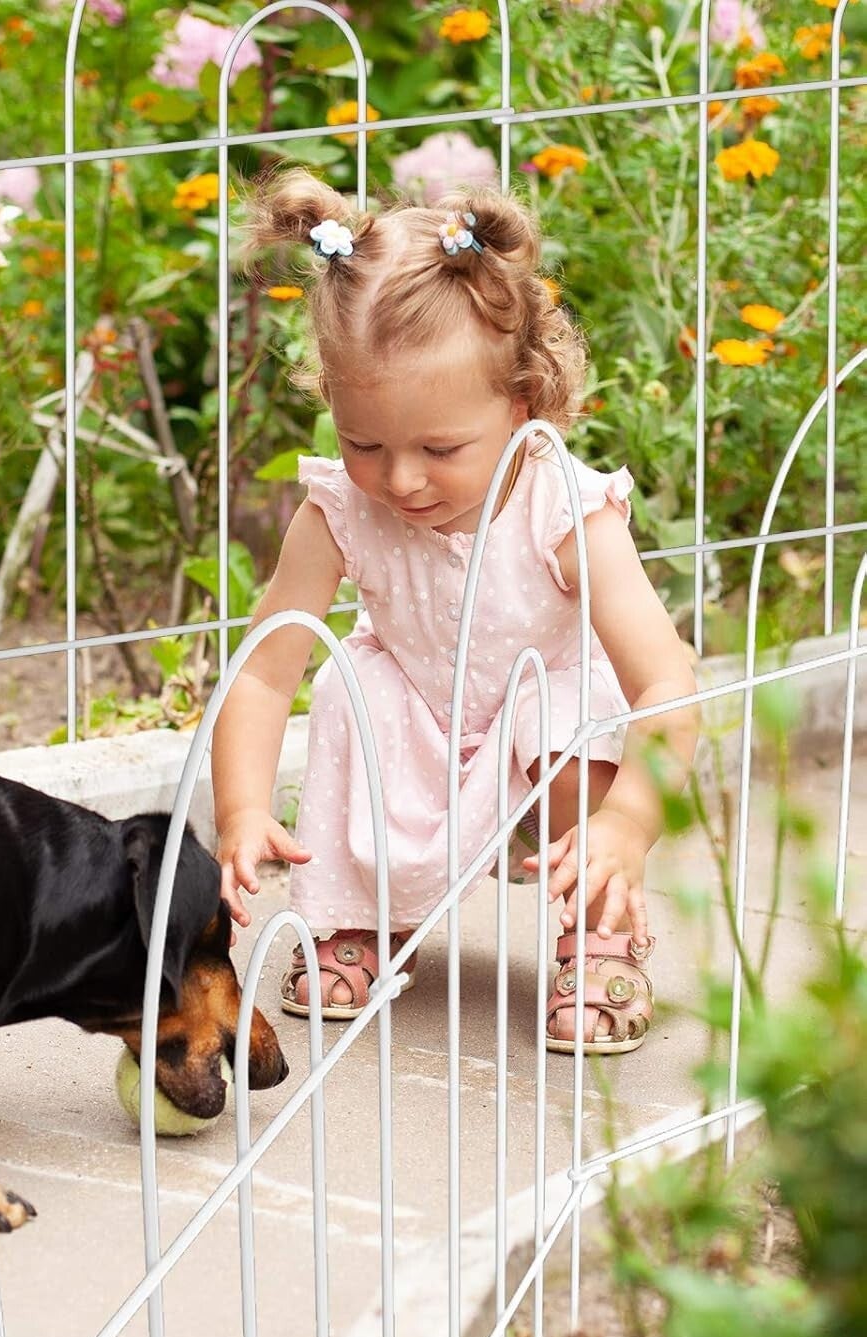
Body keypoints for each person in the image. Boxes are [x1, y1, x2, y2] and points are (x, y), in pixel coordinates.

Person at [212, 170, 699, 1054]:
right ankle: (355, 918)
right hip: (419, 726)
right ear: (332, 398)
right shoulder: (338, 514)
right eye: (364, 443)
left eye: (441, 448)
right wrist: (242, 809)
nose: (400, 479)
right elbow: (262, 674)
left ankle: (599, 926)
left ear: (522, 400)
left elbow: (666, 681)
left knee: (569, 705)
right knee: (352, 682)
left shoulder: (563, 511)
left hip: (538, 727)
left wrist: (626, 822)